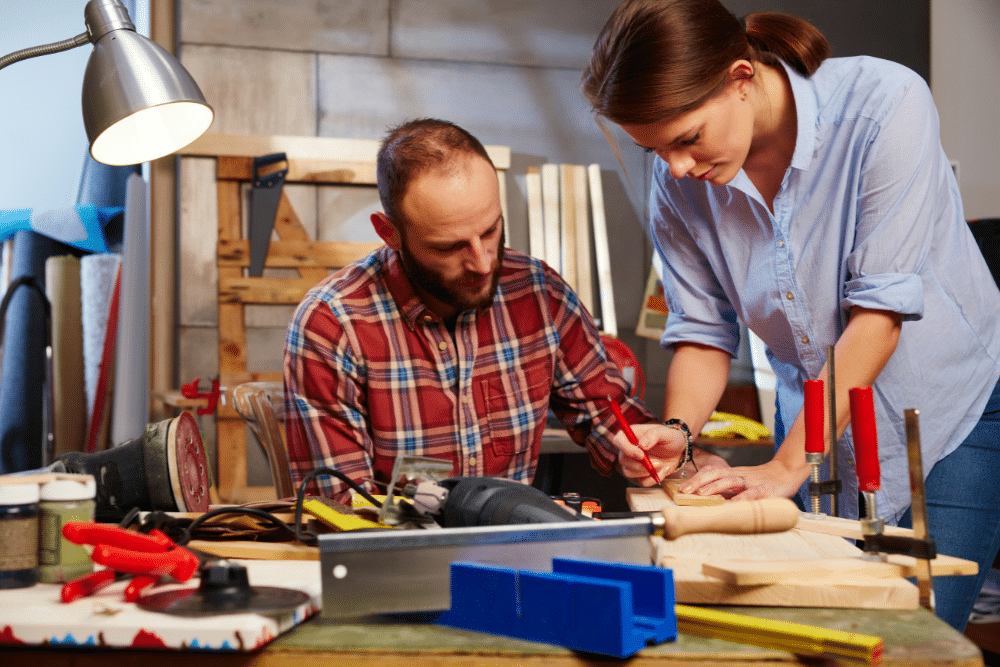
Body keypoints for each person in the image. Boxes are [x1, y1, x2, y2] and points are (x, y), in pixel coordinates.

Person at [581, 0, 1000, 631]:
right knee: (817, 628)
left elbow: (878, 316)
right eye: (655, 150)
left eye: (688, 139)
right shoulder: (679, 182)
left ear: (741, 78)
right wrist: (677, 431)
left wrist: (786, 466)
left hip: (941, 419)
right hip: (815, 430)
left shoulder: (883, 104)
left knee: (912, 635)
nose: (677, 169)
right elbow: (700, 332)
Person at [283, 118, 720, 509]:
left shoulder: (536, 293)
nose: (482, 262)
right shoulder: (332, 326)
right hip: (397, 569)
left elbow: (608, 417)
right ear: (389, 233)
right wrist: (464, 510)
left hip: (513, 554)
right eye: (449, 246)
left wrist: (666, 452)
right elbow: (339, 505)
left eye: (491, 230)